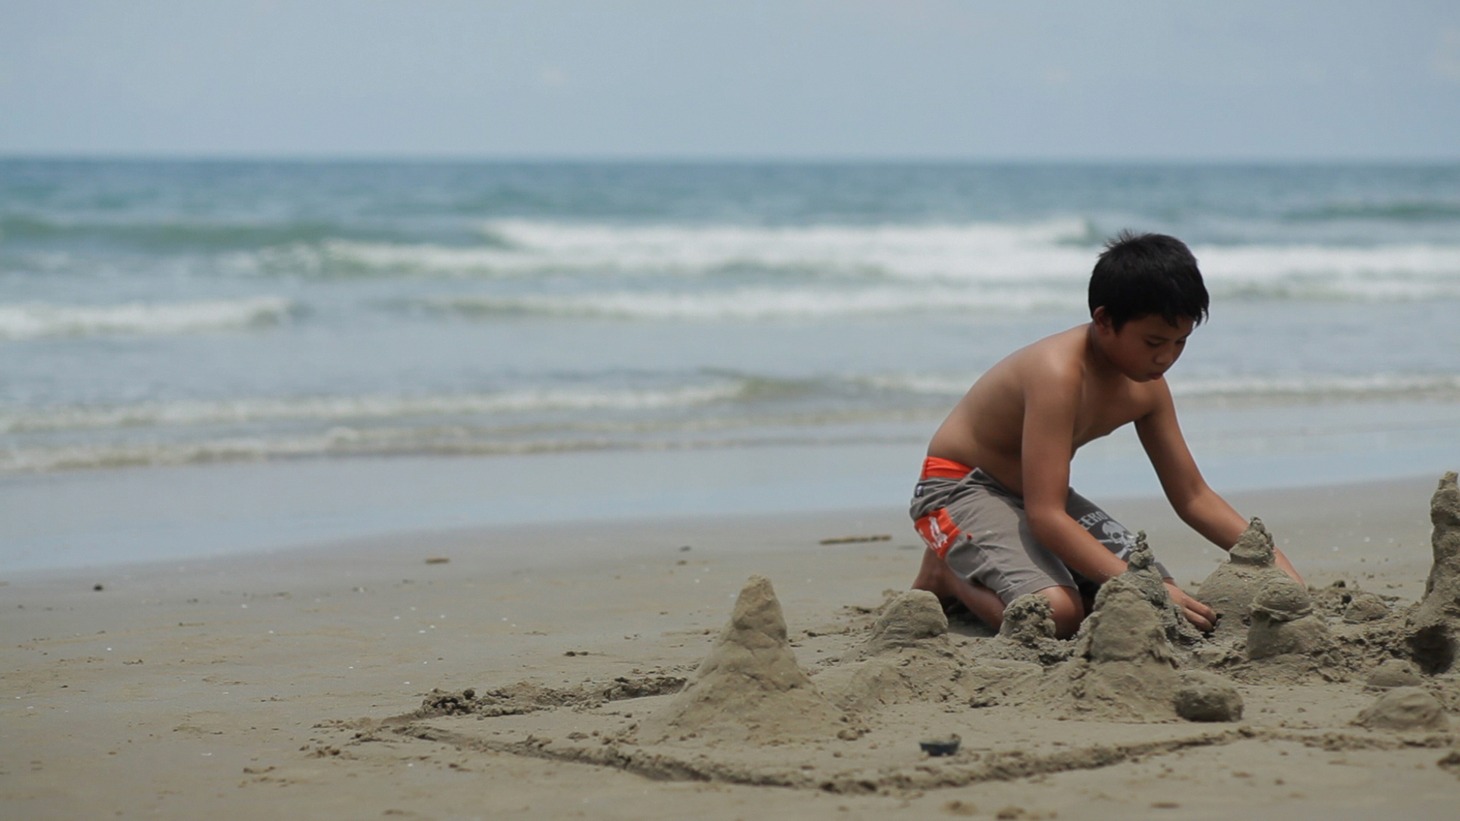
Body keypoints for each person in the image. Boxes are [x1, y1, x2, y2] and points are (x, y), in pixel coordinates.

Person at [909, 230, 1302, 638]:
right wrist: (1139, 586)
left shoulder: (1147, 387)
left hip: (1033, 494)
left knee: (1159, 601)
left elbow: (1193, 496)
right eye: (1153, 342)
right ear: (1104, 320)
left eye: (1180, 342)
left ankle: (999, 568)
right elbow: (1046, 517)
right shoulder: (1057, 374)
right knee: (1058, 615)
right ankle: (947, 575)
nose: (1166, 358)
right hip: (957, 488)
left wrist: (1277, 569)